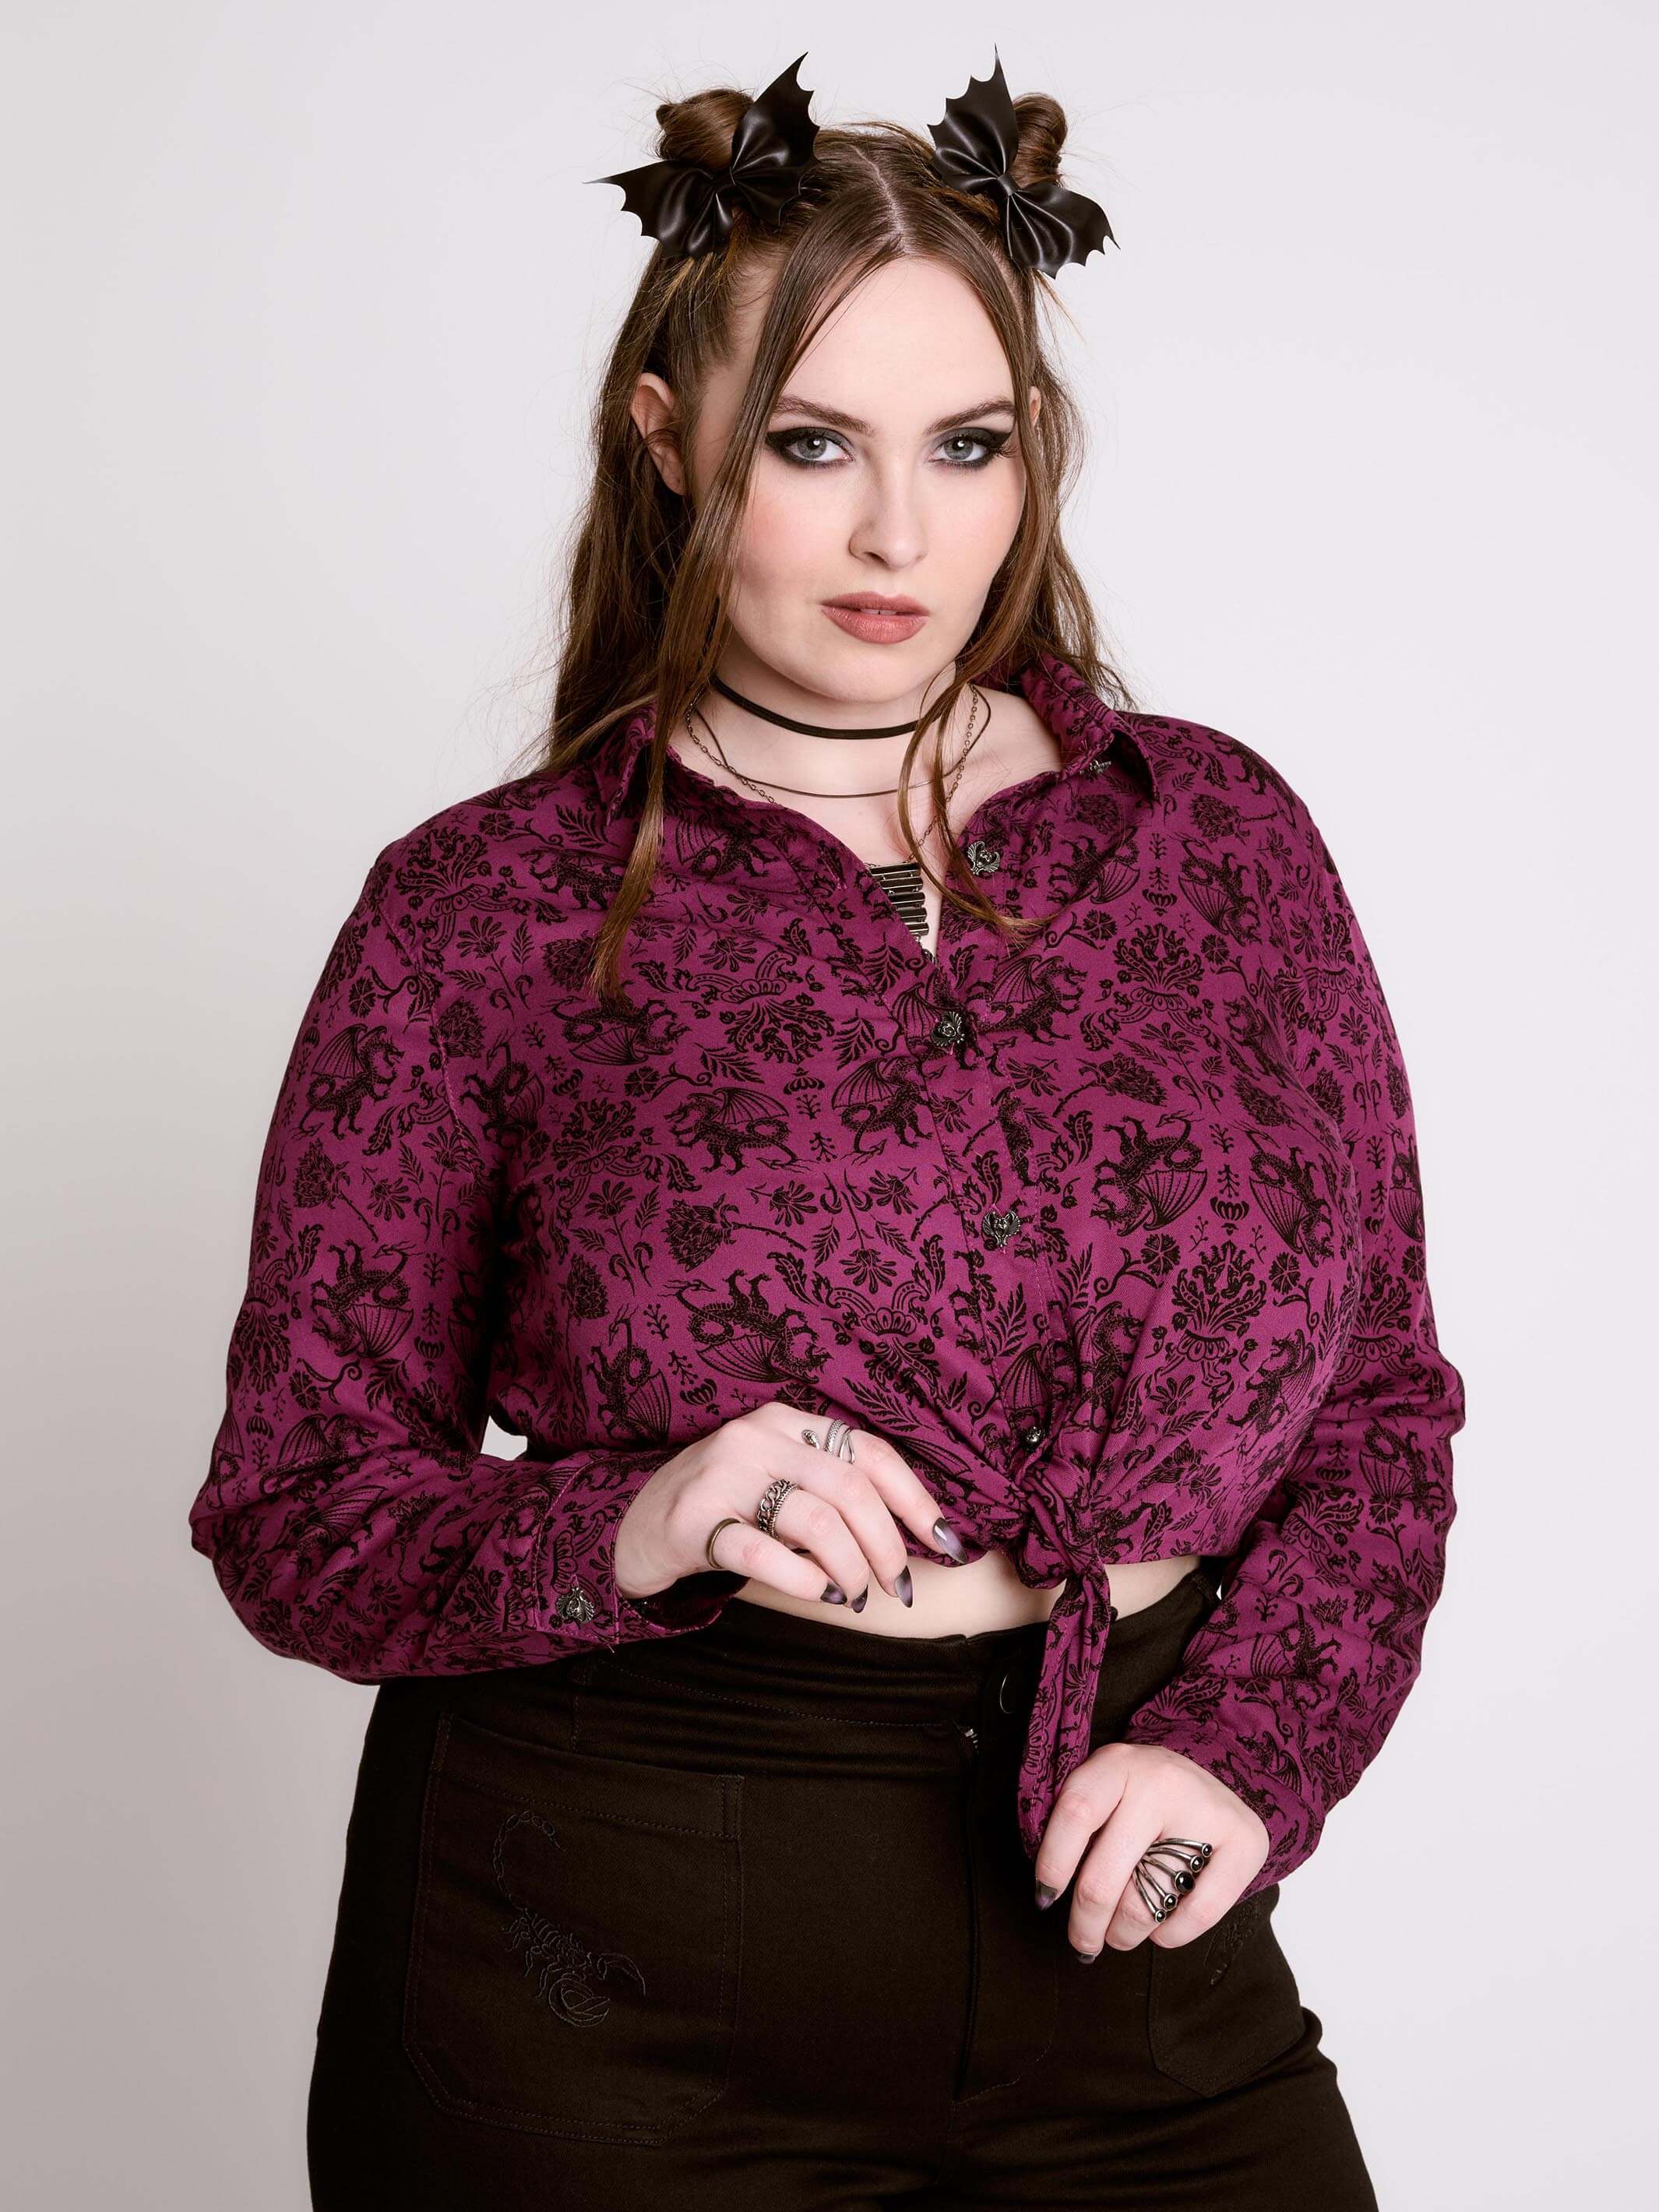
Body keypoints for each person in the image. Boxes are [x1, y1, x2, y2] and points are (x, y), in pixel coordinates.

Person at [188, 50, 1465, 2210]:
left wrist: (1247, 1750)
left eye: (966, 445)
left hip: (1130, 1943)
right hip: (608, 1972)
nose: (899, 534)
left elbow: (1378, 1406)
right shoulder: (483, 909)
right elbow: (296, 1511)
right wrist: (634, 1519)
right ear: (667, 439)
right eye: (811, 444)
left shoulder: (1218, 842)